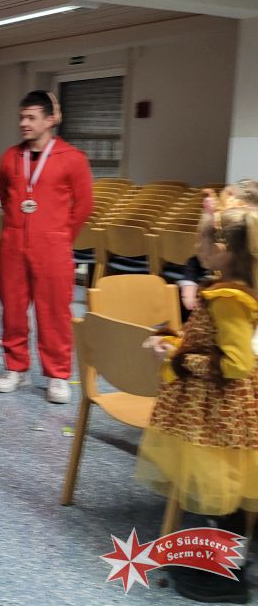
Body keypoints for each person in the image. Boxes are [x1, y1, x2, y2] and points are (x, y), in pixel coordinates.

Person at [136, 188, 258, 604]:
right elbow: (210, 342)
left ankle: (225, 578)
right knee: (218, 494)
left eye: (202, 239)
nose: (196, 245)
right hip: (212, 411)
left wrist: (181, 359)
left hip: (219, 413)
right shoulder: (222, 290)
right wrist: (175, 340)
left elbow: (236, 363)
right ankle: (219, 565)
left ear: (222, 250)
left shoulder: (230, 299)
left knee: (224, 495)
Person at [0, 90, 92, 403]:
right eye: (21, 117)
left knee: (54, 312)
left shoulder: (72, 158)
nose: (24, 123)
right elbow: (4, 195)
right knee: (12, 309)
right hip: (13, 244)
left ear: (50, 120)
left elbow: (84, 205)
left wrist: (61, 237)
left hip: (53, 246)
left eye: (31, 118)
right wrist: (15, 228)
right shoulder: (10, 157)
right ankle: (15, 367)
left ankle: (58, 375)